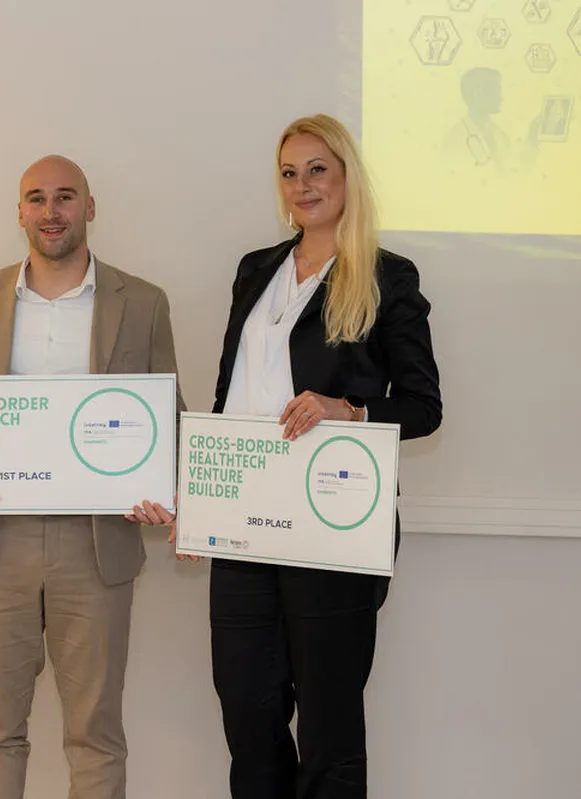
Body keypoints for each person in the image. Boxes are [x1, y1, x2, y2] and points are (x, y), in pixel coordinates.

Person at [0, 155, 183, 799]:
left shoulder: (144, 301)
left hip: (96, 541)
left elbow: (167, 414)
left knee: (95, 731)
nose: (51, 211)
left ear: (89, 207)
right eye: (36, 198)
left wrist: (166, 489)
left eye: (65, 197)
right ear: (20, 213)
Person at [203, 115, 441, 798]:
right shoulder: (256, 270)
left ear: (346, 178)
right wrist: (202, 497)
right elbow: (231, 395)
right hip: (243, 522)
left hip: (331, 524)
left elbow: (424, 407)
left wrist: (351, 411)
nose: (302, 185)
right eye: (289, 173)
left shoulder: (387, 277)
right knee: (248, 715)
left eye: (317, 170)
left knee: (329, 729)